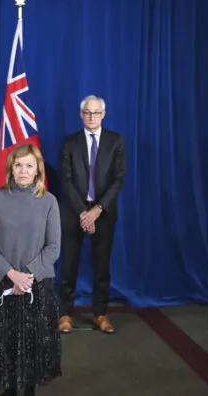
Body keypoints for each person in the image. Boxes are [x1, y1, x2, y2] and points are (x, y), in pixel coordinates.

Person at [0, 144, 62, 396]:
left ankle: (29, 390)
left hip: (36, 285)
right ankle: (9, 388)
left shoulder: (48, 202)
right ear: (10, 169)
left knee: (32, 346)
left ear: (38, 170)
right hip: (3, 284)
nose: (23, 170)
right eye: (18, 165)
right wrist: (11, 274)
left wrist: (26, 277)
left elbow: (53, 247)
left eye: (29, 165)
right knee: (4, 343)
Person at [58, 95, 127, 334]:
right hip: (74, 212)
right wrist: (83, 213)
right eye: (87, 112)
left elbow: (119, 180)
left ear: (104, 115)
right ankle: (65, 313)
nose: (91, 117)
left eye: (96, 112)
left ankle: (100, 314)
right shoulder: (70, 143)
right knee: (68, 265)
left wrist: (96, 211)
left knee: (102, 266)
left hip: (104, 212)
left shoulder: (116, 141)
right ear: (81, 114)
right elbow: (66, 180)